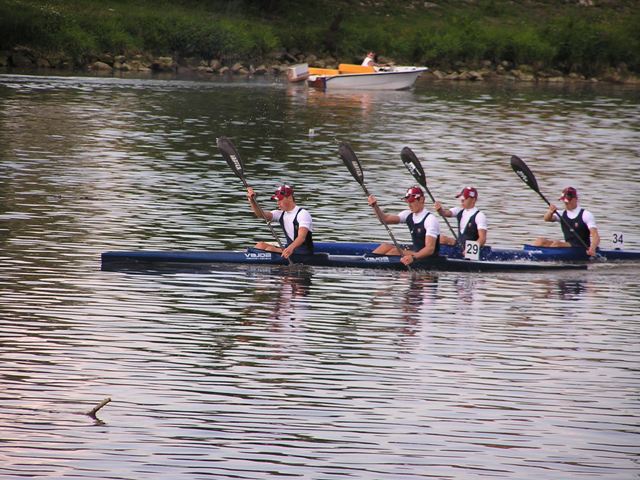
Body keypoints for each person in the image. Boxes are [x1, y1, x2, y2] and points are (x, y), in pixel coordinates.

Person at [367, 186, 440, 266]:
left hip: (427, 258)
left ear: (421, 199)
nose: (409, 205)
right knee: (385, 246)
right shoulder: (408, 214)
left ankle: (372, 266)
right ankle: (367, 262)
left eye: (412, 201)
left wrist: (413, 257)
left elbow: (430, 249)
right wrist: (375, 206)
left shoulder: (430, 219)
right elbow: (384, 219)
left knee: (394, 252)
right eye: (408, 201)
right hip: (415, 252)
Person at [246, 184, 314, 259]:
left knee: (270, 249)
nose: (278, 202)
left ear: (290, 198)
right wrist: (252, 201)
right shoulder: (280, 213)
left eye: (280, 199)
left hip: (302, 253)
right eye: (277, 200)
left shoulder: (302, 214)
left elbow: (301, 237)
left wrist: (290, 248)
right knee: (260, 245)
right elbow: (261, 215)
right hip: (289, 249)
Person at [532, 186, 599, 257]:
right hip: (568, 246)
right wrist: (550, 212)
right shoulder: (561, 214)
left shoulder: (586, 215)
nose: (566, 203)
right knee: (540, 241)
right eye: (564, 201)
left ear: (575, 199)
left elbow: (595, 236)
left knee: (556, 244)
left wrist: (592, 248)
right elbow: (547, 219)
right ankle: (532, 255)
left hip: (582, 248)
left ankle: (543, 258)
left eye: (567, 201)